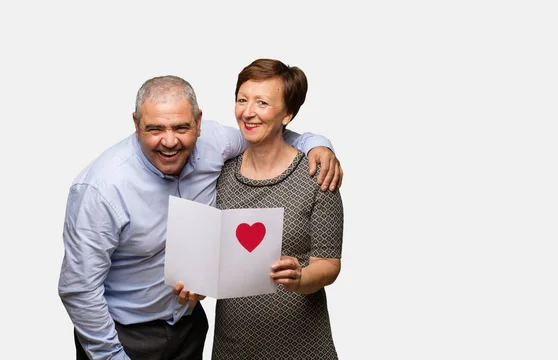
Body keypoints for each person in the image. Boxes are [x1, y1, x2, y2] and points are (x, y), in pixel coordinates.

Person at [58, 74, 343, 360]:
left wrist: (317, 144)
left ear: (198, 122)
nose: (169, 141)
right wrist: (111, 356)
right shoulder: (101, 188)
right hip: (124, 335)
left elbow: (267, 133)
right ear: (135, 124)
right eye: (155, 129)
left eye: (181, 127)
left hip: (190, 330)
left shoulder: (215, 143)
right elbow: (79, 288)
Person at [174, 58, 344, 359]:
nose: (248, 112)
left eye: (262, 103)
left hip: (303, 346)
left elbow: (329, 263)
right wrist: (198, 283)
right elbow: (216, 256)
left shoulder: (317, 173)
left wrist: (301, 278)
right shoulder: (220, 174)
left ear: (287, 113)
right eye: (242, 100)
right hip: (233, 346)